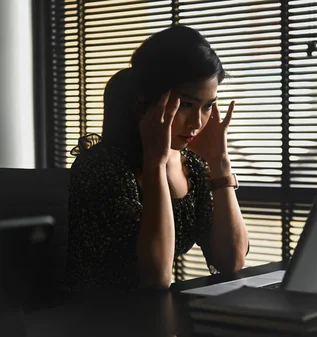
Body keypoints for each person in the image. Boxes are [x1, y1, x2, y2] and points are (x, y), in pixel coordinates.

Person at [64, 25, 249, 292]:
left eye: (207, 106)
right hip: (96, 319)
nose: (198, 122)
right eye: (186, 104)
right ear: (146, 101)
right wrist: (155, 164)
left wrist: (220, 162)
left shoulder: (192, 167)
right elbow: (156, 278)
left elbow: (232, 261)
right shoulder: (101, 166)